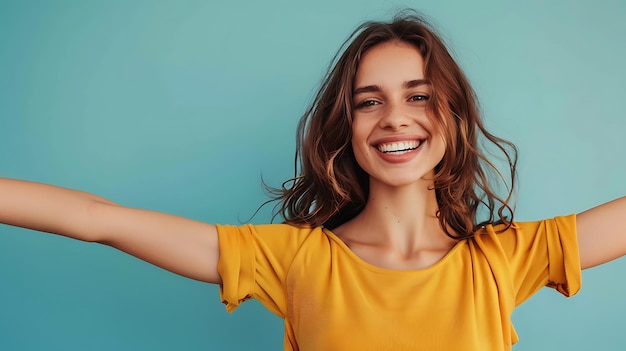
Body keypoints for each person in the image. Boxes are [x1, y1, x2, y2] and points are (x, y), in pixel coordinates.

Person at [1, 11, 625, 351]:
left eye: (418, 96)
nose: (396, 119)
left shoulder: (504, 259)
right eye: (368, 102)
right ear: (346, 127)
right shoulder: (296, 259)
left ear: (452, 118)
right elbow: (99, 219)